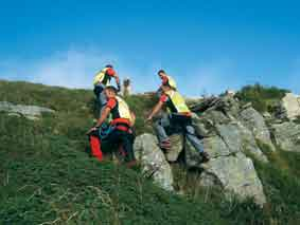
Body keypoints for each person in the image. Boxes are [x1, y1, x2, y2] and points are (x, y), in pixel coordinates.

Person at [147, 84, 209, 162]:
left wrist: (151, 116)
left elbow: (159, 105)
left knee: (158, 124)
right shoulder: (177, 94)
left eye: (161, 89)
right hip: (187, 116)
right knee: (190, 135)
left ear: (165, 88)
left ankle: (165, 142)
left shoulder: (167, 94)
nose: (161, 91)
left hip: (177, 115)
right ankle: (203, 153)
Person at [87, 86, 136, 167]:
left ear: (110, 93)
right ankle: (129, 159)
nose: (105, 96)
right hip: (127, 131)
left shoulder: (112, 100)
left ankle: (98, 158)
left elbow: (105, 114)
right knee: (118, 136)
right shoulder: (123, 103)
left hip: (118, 129)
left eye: (105, 94)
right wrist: (129, 127)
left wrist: (96, 127)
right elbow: (133, 116)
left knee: (93, 134)